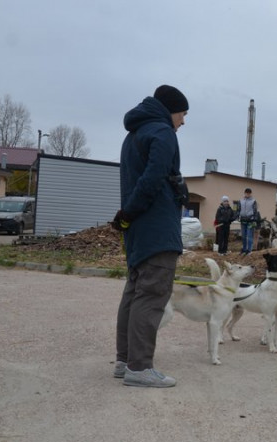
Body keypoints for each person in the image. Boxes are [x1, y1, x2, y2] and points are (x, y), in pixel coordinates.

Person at [112, 84, 189, 387]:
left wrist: (129, 215)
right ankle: (140, 368)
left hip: (139, 231)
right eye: (182, 114)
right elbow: (154, 176)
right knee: (153, 294)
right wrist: (131, 211)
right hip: (156, 228)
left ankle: (124, 361)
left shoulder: (134, 135)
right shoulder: (163, 133)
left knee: (133, 293)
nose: (183, 121)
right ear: (171, 111)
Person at [237, 187, 258, 256]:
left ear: (250, 194)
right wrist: (238, 217)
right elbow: (238, 210)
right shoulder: (241, 201)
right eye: (246, 193)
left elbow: (255, 211)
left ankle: (249, 250)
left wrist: (254, 219)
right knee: (243, 236)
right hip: (243, 220)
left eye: (249, 193)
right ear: (244, 193)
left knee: (249, 236)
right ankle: (244, 249)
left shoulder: (253, 201)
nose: (247, 194)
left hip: (250, 220)